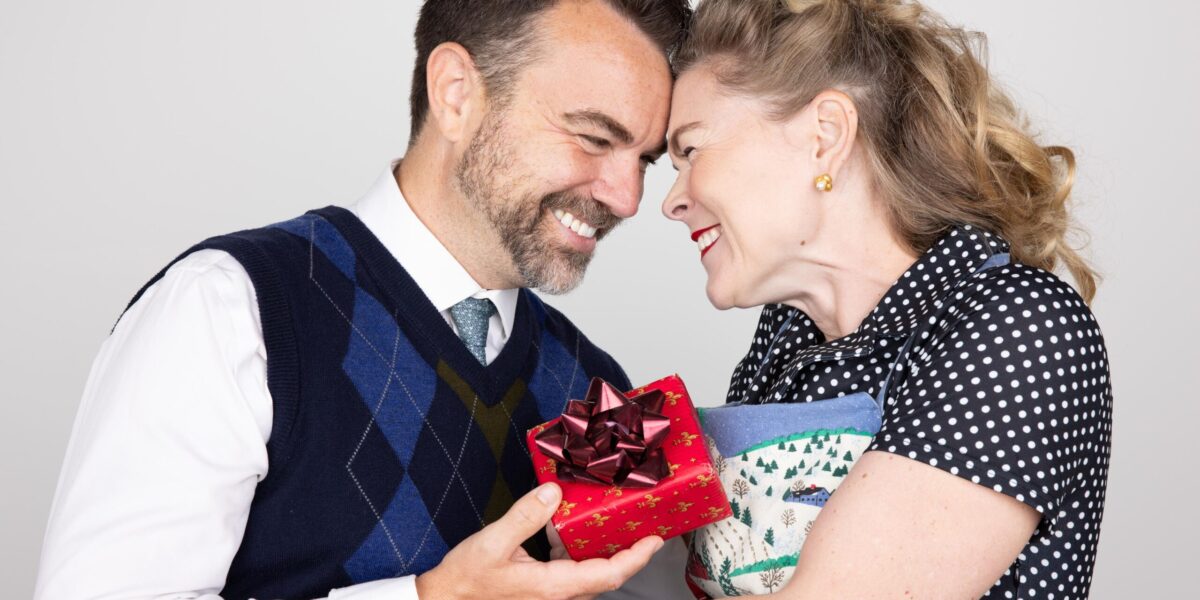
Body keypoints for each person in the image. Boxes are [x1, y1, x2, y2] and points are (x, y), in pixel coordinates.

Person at [34, 1, 690, 598]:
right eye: (594, 138)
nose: (627, 198)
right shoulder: (231, 309)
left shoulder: (601, 393)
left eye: (644, 160)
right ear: (456, 93)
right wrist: (430, 597)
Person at [661, 0, 1111, 597]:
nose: (671, 201)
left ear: (825, 136)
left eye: (691, 151)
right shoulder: (786, 338)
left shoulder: (1020, 328)